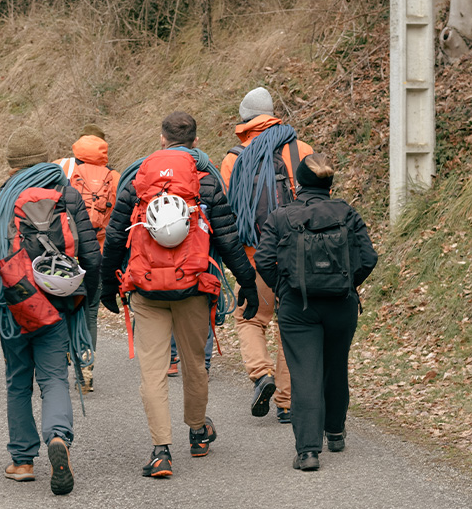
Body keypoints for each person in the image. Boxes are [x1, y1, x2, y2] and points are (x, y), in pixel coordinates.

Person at [100, 111, 259, 478]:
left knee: (152, 371)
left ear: (161, 139)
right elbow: (227, 237)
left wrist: (108, 286)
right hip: (193, 287)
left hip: (145, 289)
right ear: (195, 143)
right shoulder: (204, 180)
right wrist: (247, 282)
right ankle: (198, 432)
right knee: (194, 364)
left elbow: (113, 239)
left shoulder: (137, 178)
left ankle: (160, 451)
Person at [0, 125, 101, 496]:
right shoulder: (67, 193)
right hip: (58, 298)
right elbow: (92, 256)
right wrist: (86, 296)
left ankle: (22, 460)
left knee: (18, 380)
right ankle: (59, 438)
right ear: (43, 157)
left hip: (15, 302)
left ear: (11, 163)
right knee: (53, 379)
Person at [254, 153, 378, 471]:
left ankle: (308, 451)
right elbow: (368, 257)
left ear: (298, 183)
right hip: (341, 305)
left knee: (305, 374)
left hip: (298, 306)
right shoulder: (346, 212)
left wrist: (285, 289)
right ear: (330, 183)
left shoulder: (281, 216)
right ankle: (335, 433)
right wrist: (347, 284)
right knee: (335, 366)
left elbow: (265, 260)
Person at [218, 86, 314, 424]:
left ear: (244, 120)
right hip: (298, 254)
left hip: (255, 254)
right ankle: (287, 404)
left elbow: (226, 212)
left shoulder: (233, 158)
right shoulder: (301, 150)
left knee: (250, 319)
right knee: (289, 326)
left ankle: (261, 377)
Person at [53, 124, 120, 393]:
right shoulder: (114, 176)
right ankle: (86, 368)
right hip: (99, 254)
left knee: (62, 309)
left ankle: (61, 359)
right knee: (91, 312)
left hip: (67, 253)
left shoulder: (62, 169)